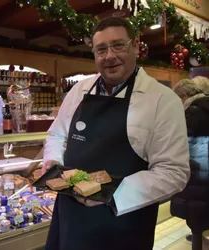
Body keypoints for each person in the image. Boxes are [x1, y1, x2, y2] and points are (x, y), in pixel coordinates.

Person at [42, 17, 190, 250]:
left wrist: (109, 193)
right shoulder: (79, 91)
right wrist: (52, 163)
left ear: (135, 46)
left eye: (118, 45)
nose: (109, 56)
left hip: (125, 222)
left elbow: (174, 172)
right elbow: (57, 135)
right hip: (70, 218)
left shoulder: (162, 100)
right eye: (101, 49)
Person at [171, 77, 209, 250]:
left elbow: (183, 146)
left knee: (196, 217)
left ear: (184, 96)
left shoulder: (191, 112)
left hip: (197, 175)